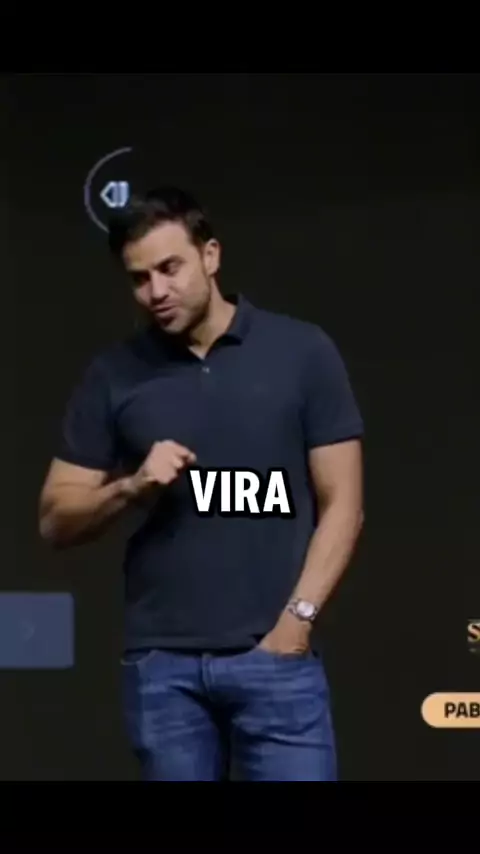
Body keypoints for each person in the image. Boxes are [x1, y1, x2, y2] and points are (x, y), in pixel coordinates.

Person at [38, 186, 364, 782]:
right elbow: (55, 518)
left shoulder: (301, 352)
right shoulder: (114, 374)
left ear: (210, 256)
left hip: (277, 661)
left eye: (170, 268)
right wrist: (131, 487)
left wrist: (296, 623)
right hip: (165, 673)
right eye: (139, 279)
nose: (157, 292)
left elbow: (344, 504)